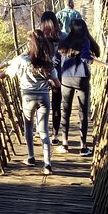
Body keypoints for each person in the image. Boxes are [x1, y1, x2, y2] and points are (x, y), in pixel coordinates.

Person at [0, 29, 60, 175]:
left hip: (27, 97)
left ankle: (31, 157)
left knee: (28, 128)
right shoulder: (48, 60)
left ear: (29, 43)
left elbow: (4, 75)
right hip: (44, 98)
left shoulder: (22, 60)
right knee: (44, 131)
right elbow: (57, 84)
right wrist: (50, 83)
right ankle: (47, 164)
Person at [57, 18, 108, 156]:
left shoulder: (64, 41)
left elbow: (56, 60)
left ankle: (65, 143)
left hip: (65, 78)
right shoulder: (85, 41)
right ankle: (83, 147)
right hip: (81, 79)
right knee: (83, 112)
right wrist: (106, 65)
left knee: (65, 110)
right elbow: (87, 59)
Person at [38, 10, 66, 146]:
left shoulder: (38, 37)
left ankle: (41, 132)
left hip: (41, 75)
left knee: (40, 105)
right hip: (58, 76)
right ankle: (55, 135)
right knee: (56, 105)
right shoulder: (63, 36)